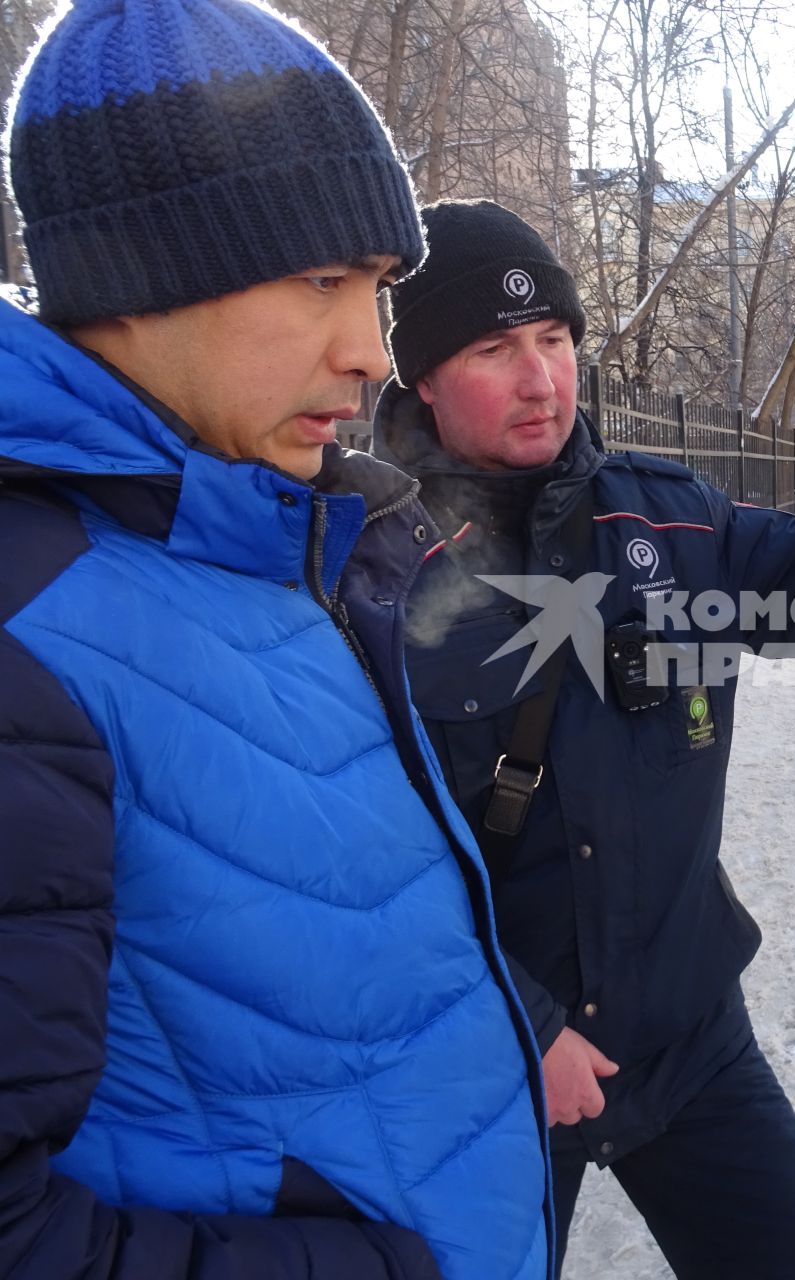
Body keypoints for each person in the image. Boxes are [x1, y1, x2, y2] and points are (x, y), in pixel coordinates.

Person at [0, 5, 550, 1277]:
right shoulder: (31, 639)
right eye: (321, 281)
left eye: (379, 289)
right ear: (144, 270)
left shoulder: (272, 539)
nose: (370, 350)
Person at [376, 198, 795, 1278]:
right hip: (491, 1053)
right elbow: (357, 858)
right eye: (496, 349)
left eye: (554, 340)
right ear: (423, 380)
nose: (541, 378)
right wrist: (521, 1023)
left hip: (683, 1032)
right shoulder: (371, 566)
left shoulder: (674, 523)